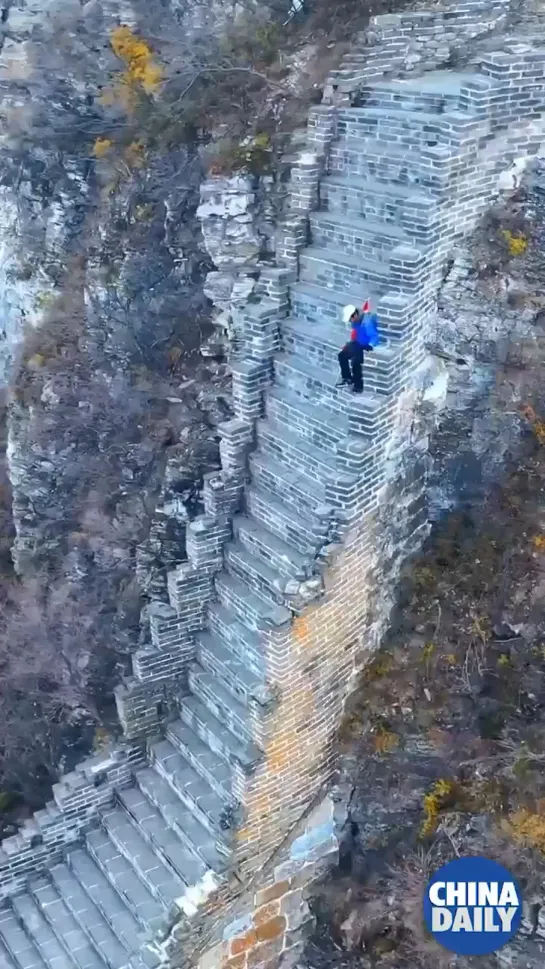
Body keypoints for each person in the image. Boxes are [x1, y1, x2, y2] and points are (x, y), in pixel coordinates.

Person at [337, 301, 379, 394]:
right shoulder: (355, 322)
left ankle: (358, 386)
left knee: (356, 361)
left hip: (367, 345)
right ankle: (347, 378)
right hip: (358, 343)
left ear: (355, 315)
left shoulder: (367, 322)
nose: (350, 321)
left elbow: (374, 336)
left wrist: (370, 346)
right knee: (342, 355)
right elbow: (356, 334)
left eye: (350, 319)